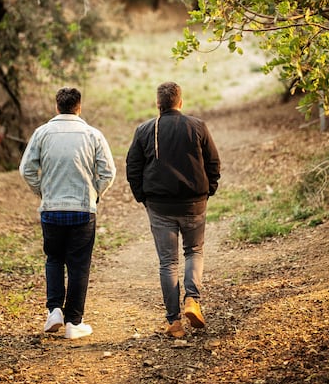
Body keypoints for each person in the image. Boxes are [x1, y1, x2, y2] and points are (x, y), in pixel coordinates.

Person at [19, 86, 116, 339]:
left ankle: (54, 311)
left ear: (56, 106)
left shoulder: (42, 133)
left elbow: (26, 169)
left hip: (52, 210)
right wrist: (95, 194)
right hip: (82, 210)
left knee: (53, 259)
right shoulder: (92, 134)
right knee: (78, 265)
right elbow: (109, 172)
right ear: (79, 107)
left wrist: (42, 191)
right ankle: (74, 322)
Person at [126, 81, 220, 338]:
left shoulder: (145, 129)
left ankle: (174, 322)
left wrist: (142, 197)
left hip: (159, 206)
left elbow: (132, 166)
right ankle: (192, 300)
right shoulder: (198, 126)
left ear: (158, 104)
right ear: (180, 102)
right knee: (194, 251)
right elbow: (213, 161)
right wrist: (208, 189)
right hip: (194, 202)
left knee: (168, 262)